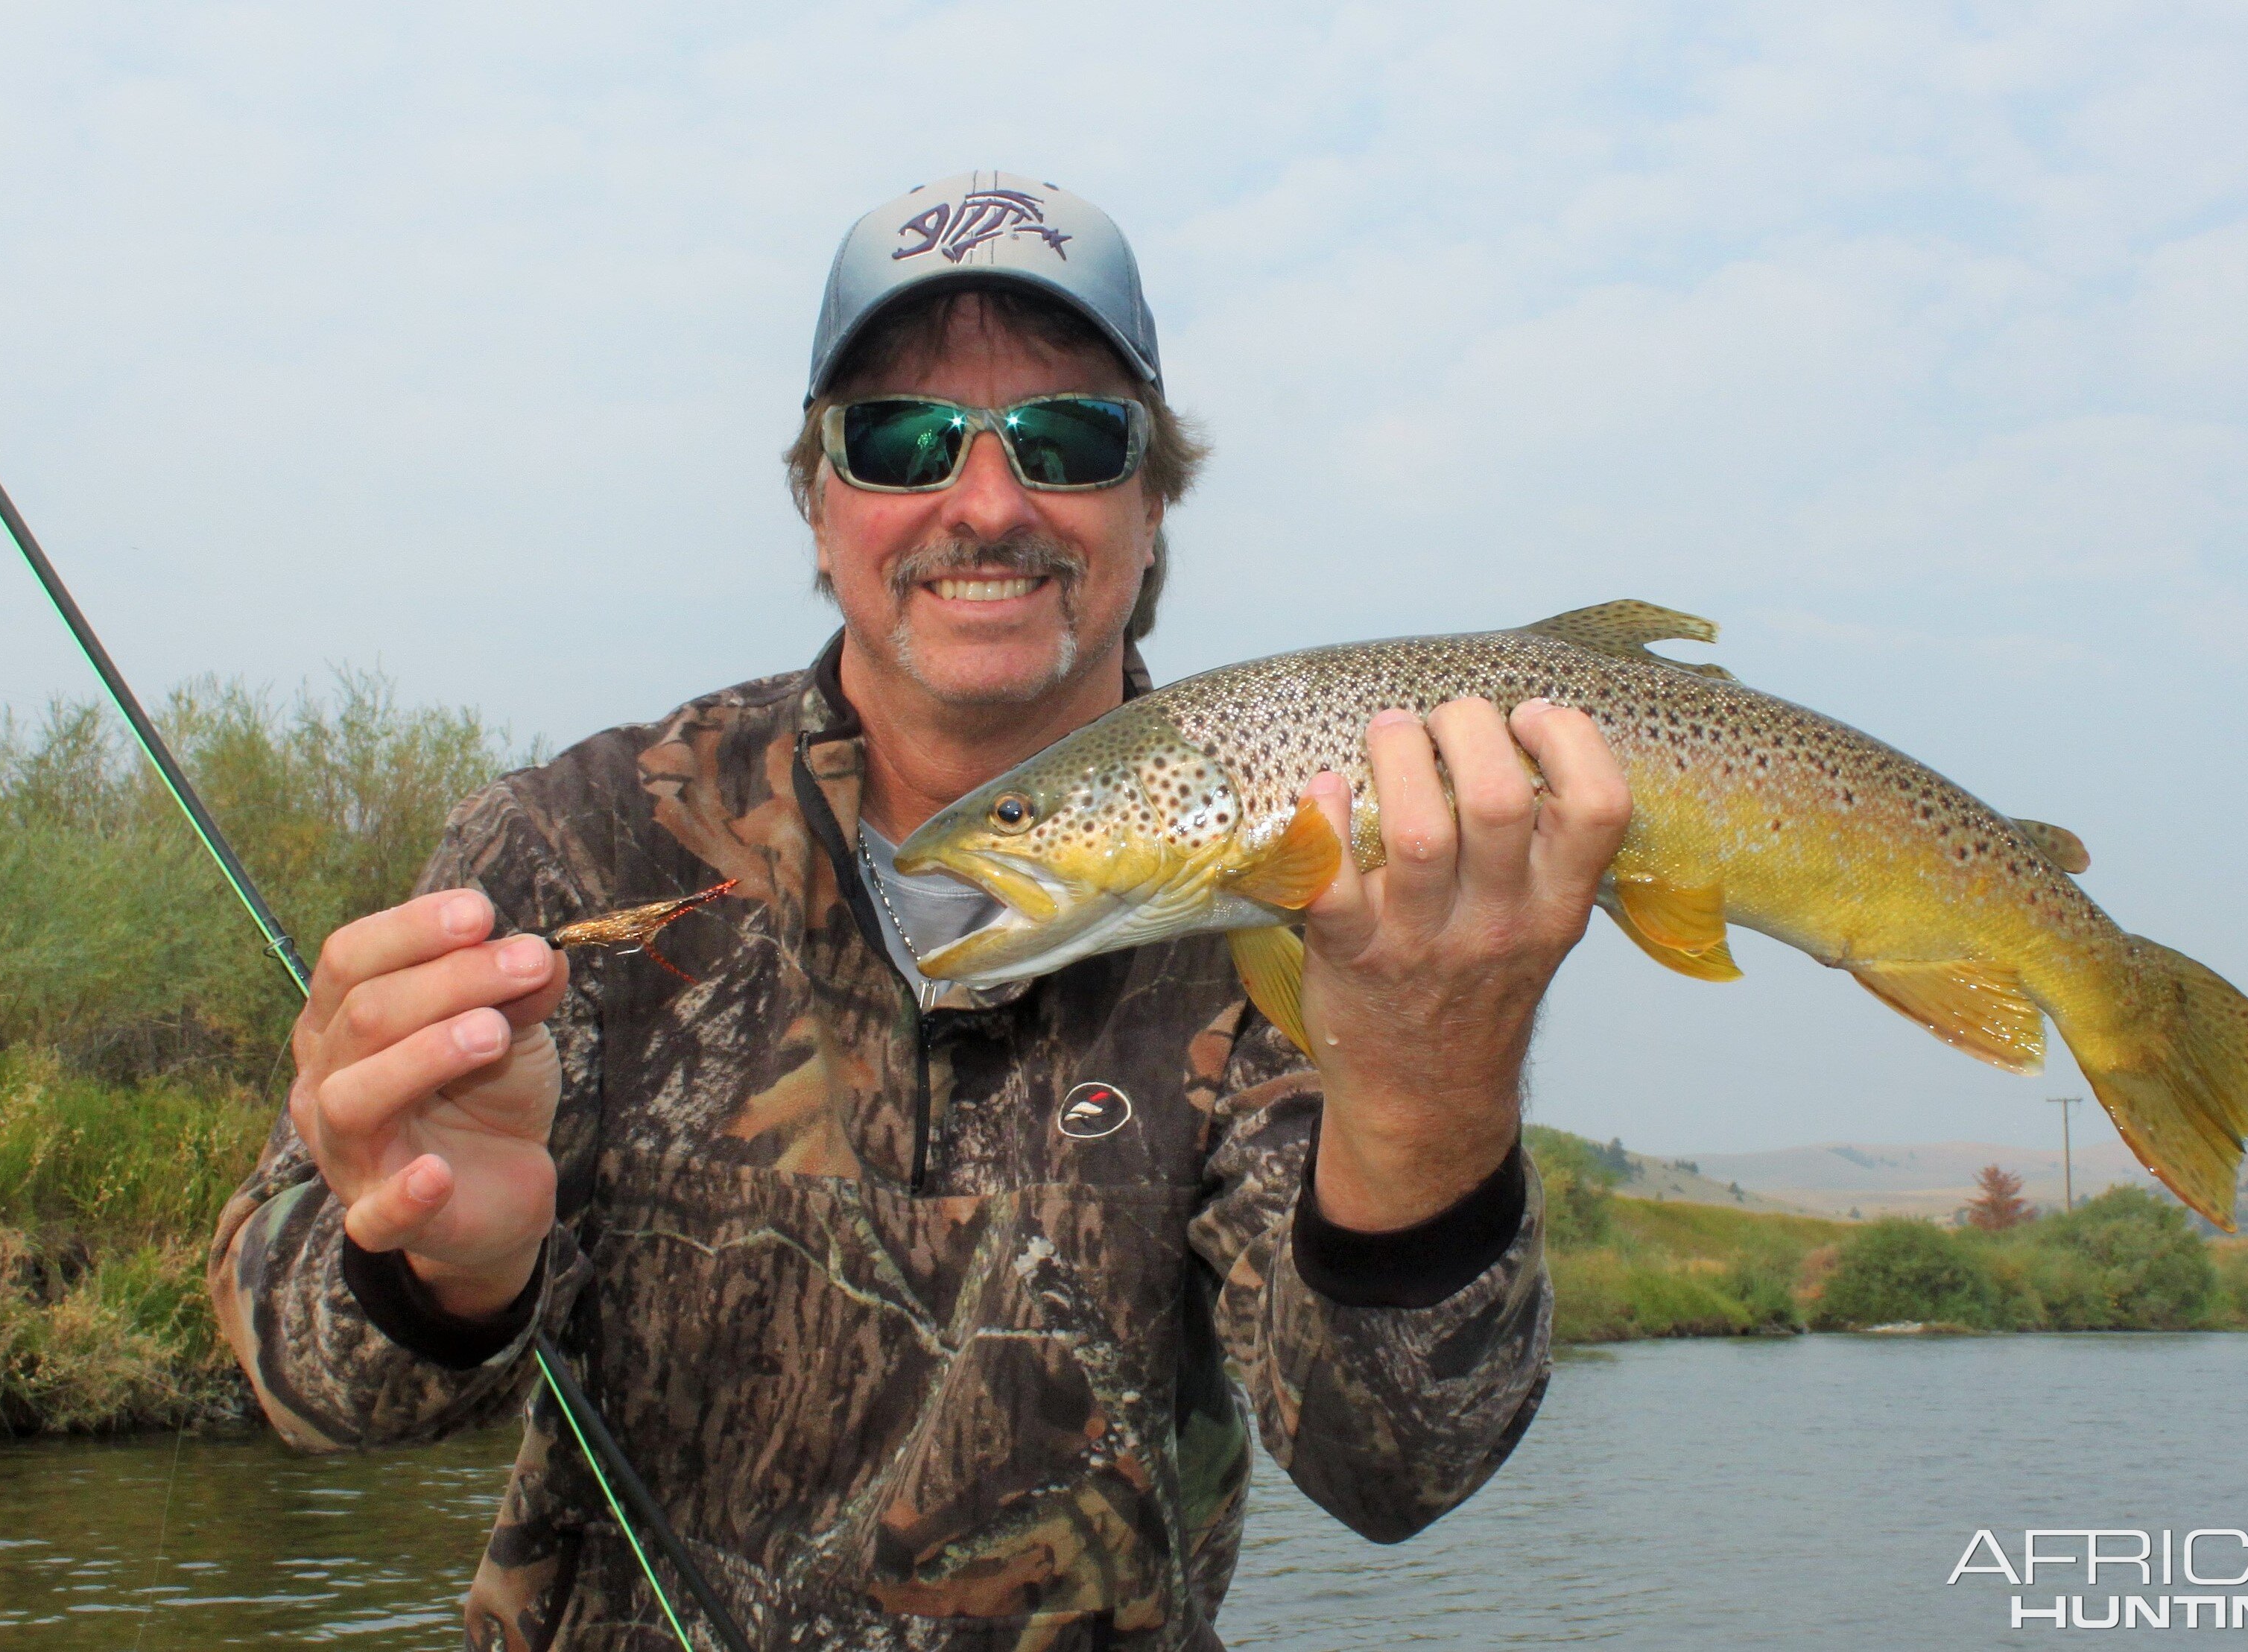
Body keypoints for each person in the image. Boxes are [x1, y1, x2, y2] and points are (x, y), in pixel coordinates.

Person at [209, 170, 1631, 1651]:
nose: (987, 503)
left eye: (1070, 437)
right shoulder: (570, 843)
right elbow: (315, 1391)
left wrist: (1429, 1098)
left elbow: (1397, 1467)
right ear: (820, 505)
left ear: (1154, 504)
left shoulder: (1314, 894)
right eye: (899, 440)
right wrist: (436, 1256)